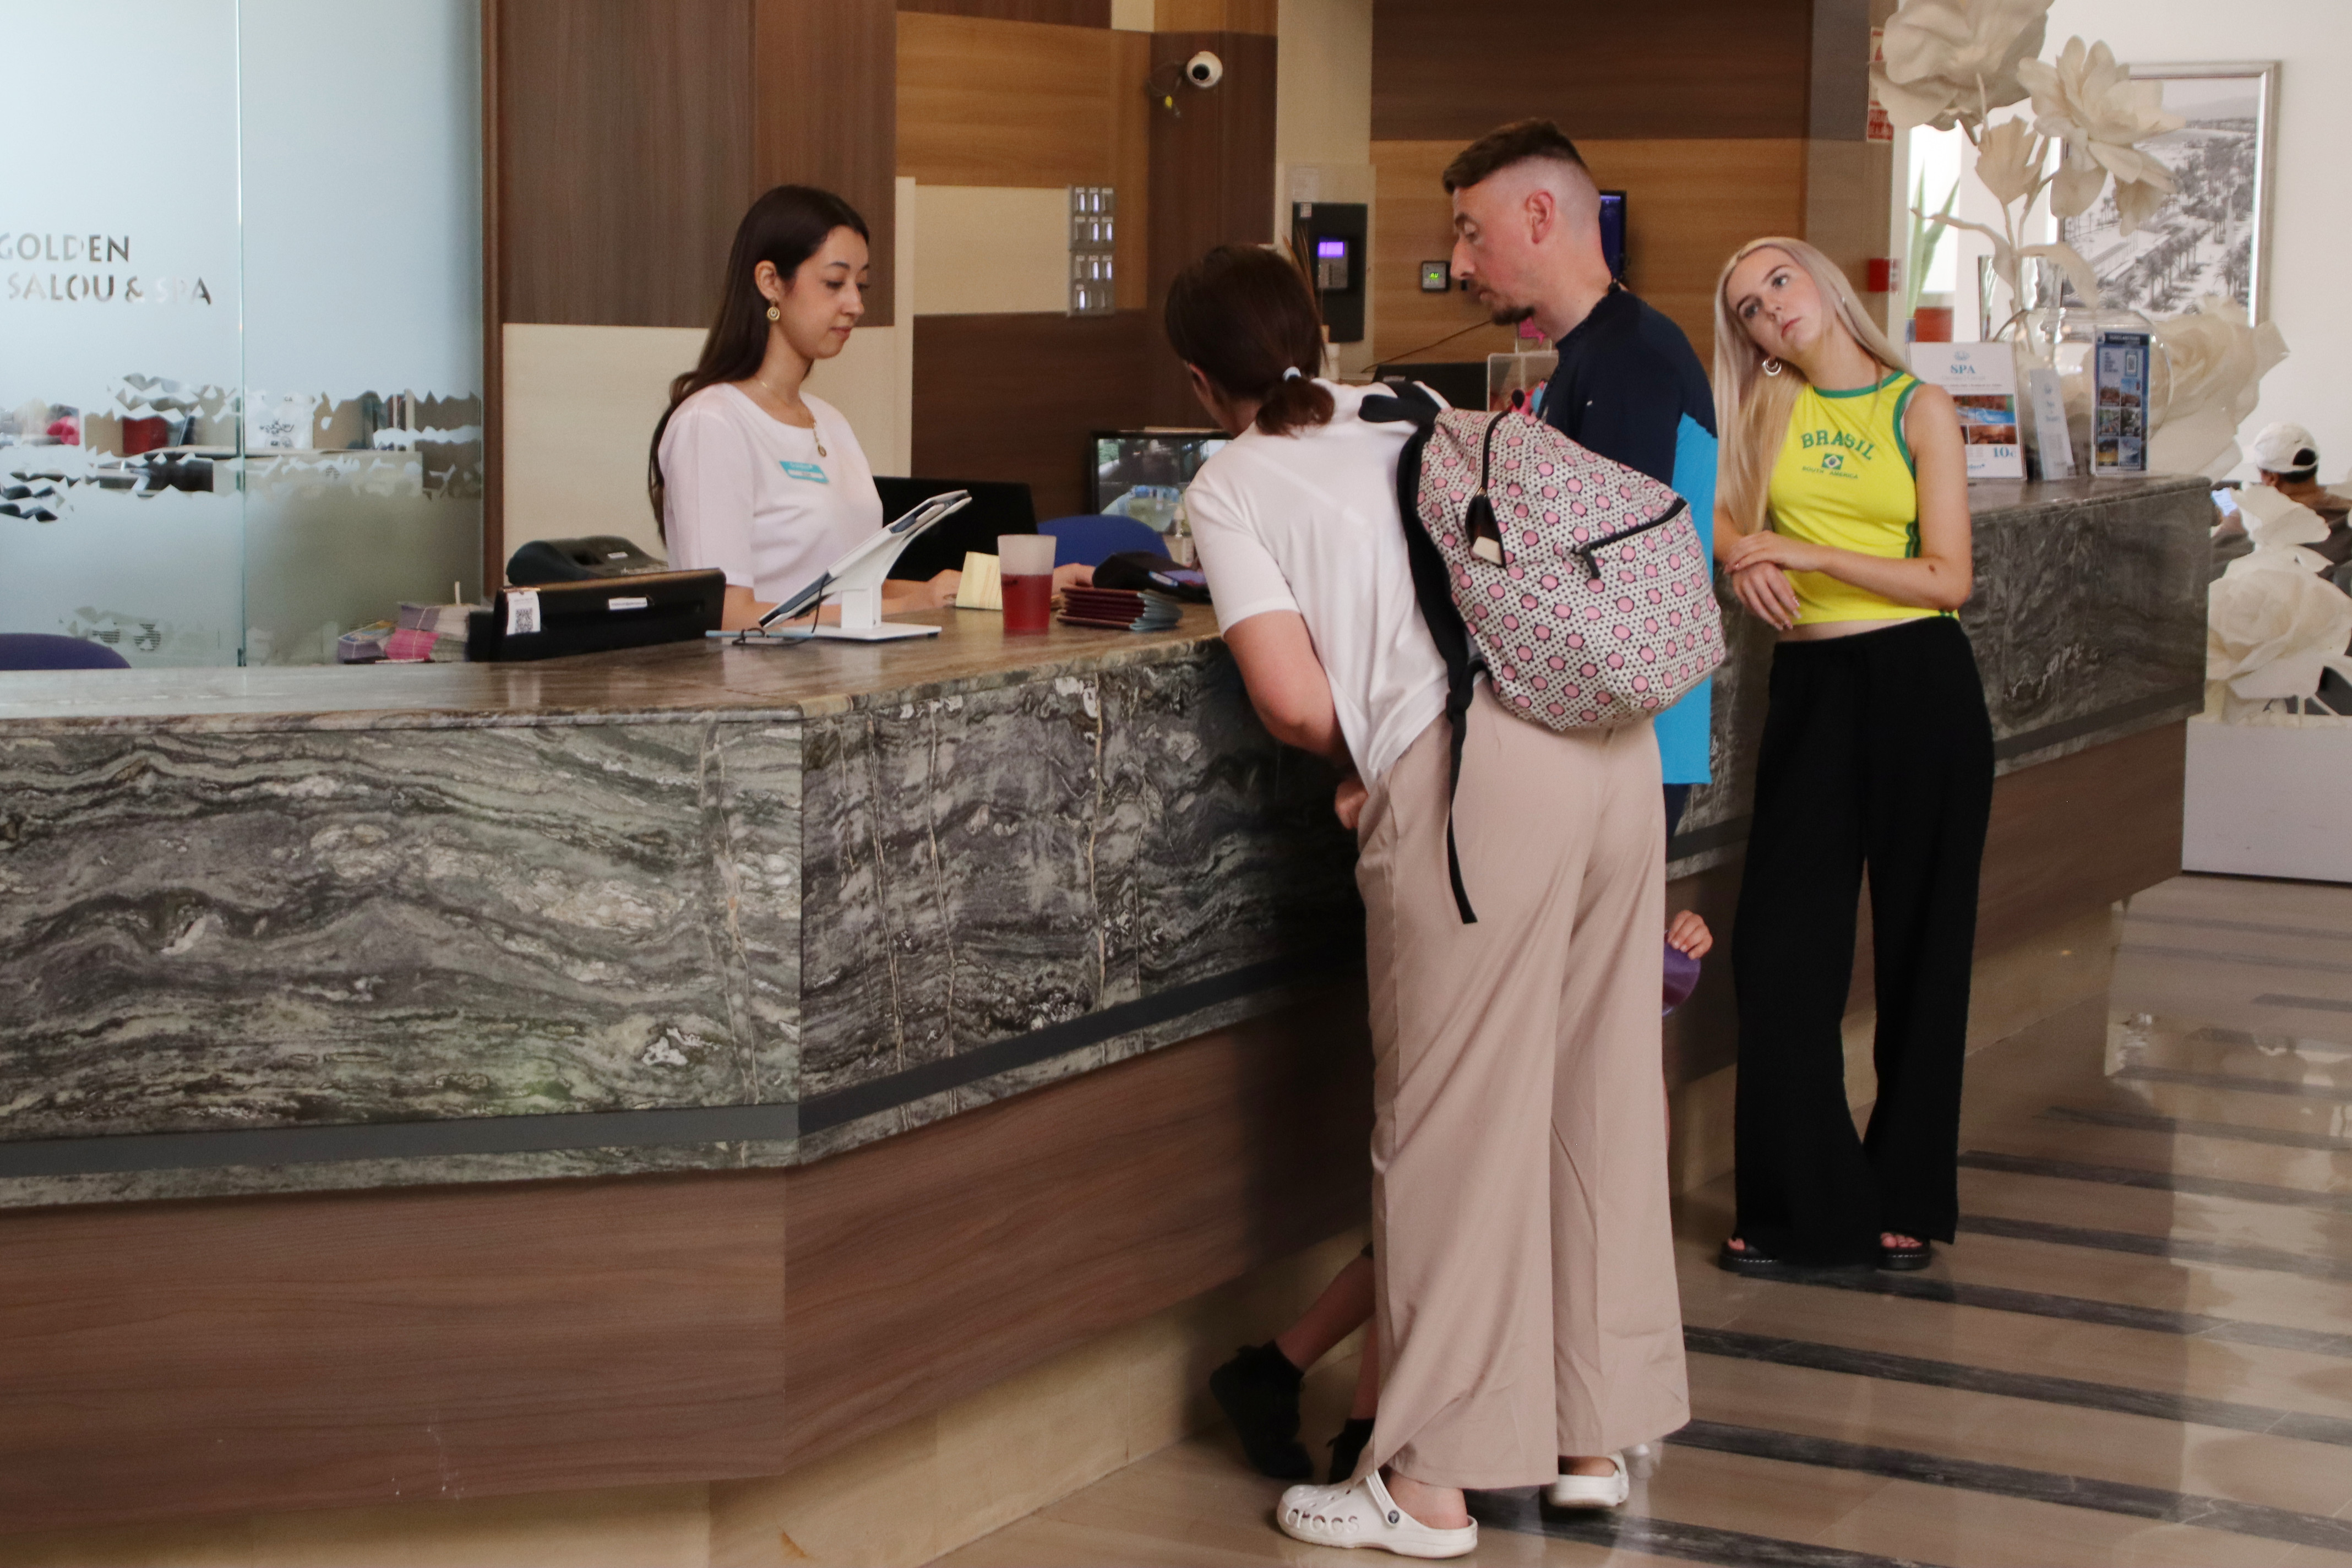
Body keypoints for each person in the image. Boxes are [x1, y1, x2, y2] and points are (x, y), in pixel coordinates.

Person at [1173, 243, 1687, 1559]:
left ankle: (1429, 1490)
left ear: (1194, 381)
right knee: (1597, 1096)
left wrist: (1360, 774)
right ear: (1321, 335)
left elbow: (1292, 697)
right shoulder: (1417, 409)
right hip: (1608, 749)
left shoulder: (1233, 478)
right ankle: (1589, 1442)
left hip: (1476, 778)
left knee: (1449, 1132)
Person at [1708, 236, 1992, 1273]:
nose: (1768, 309)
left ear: (1823, 283)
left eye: (1777, 281)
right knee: (1780, 948)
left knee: (1923, 946)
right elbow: (1715, 501)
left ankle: (1904, 1192)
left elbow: (1948, 576)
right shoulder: (1763, 404)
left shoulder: (1917, 406)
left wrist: (1812, 551)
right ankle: (1796, 1200)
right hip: (1812, 691)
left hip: (1921, 687)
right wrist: (1741, 549)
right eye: (1745, 306)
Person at [1443, 119, 1719, 843]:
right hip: (1604, 739)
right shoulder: (1593, 357)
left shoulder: (1627, 360)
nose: (1459, 264)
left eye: (1472, 233)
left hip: (1625, 746)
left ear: (1539, 215)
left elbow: (1594, 582)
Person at [647, 185, 1084, 630]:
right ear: (771, 282)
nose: (855, 304)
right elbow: (725, 614)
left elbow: (856, 591)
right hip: (763, 690)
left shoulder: (830, 422)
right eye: (835, 283)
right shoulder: (712, 422)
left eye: (861, 285)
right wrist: (903, 608)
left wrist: (1025, 584)